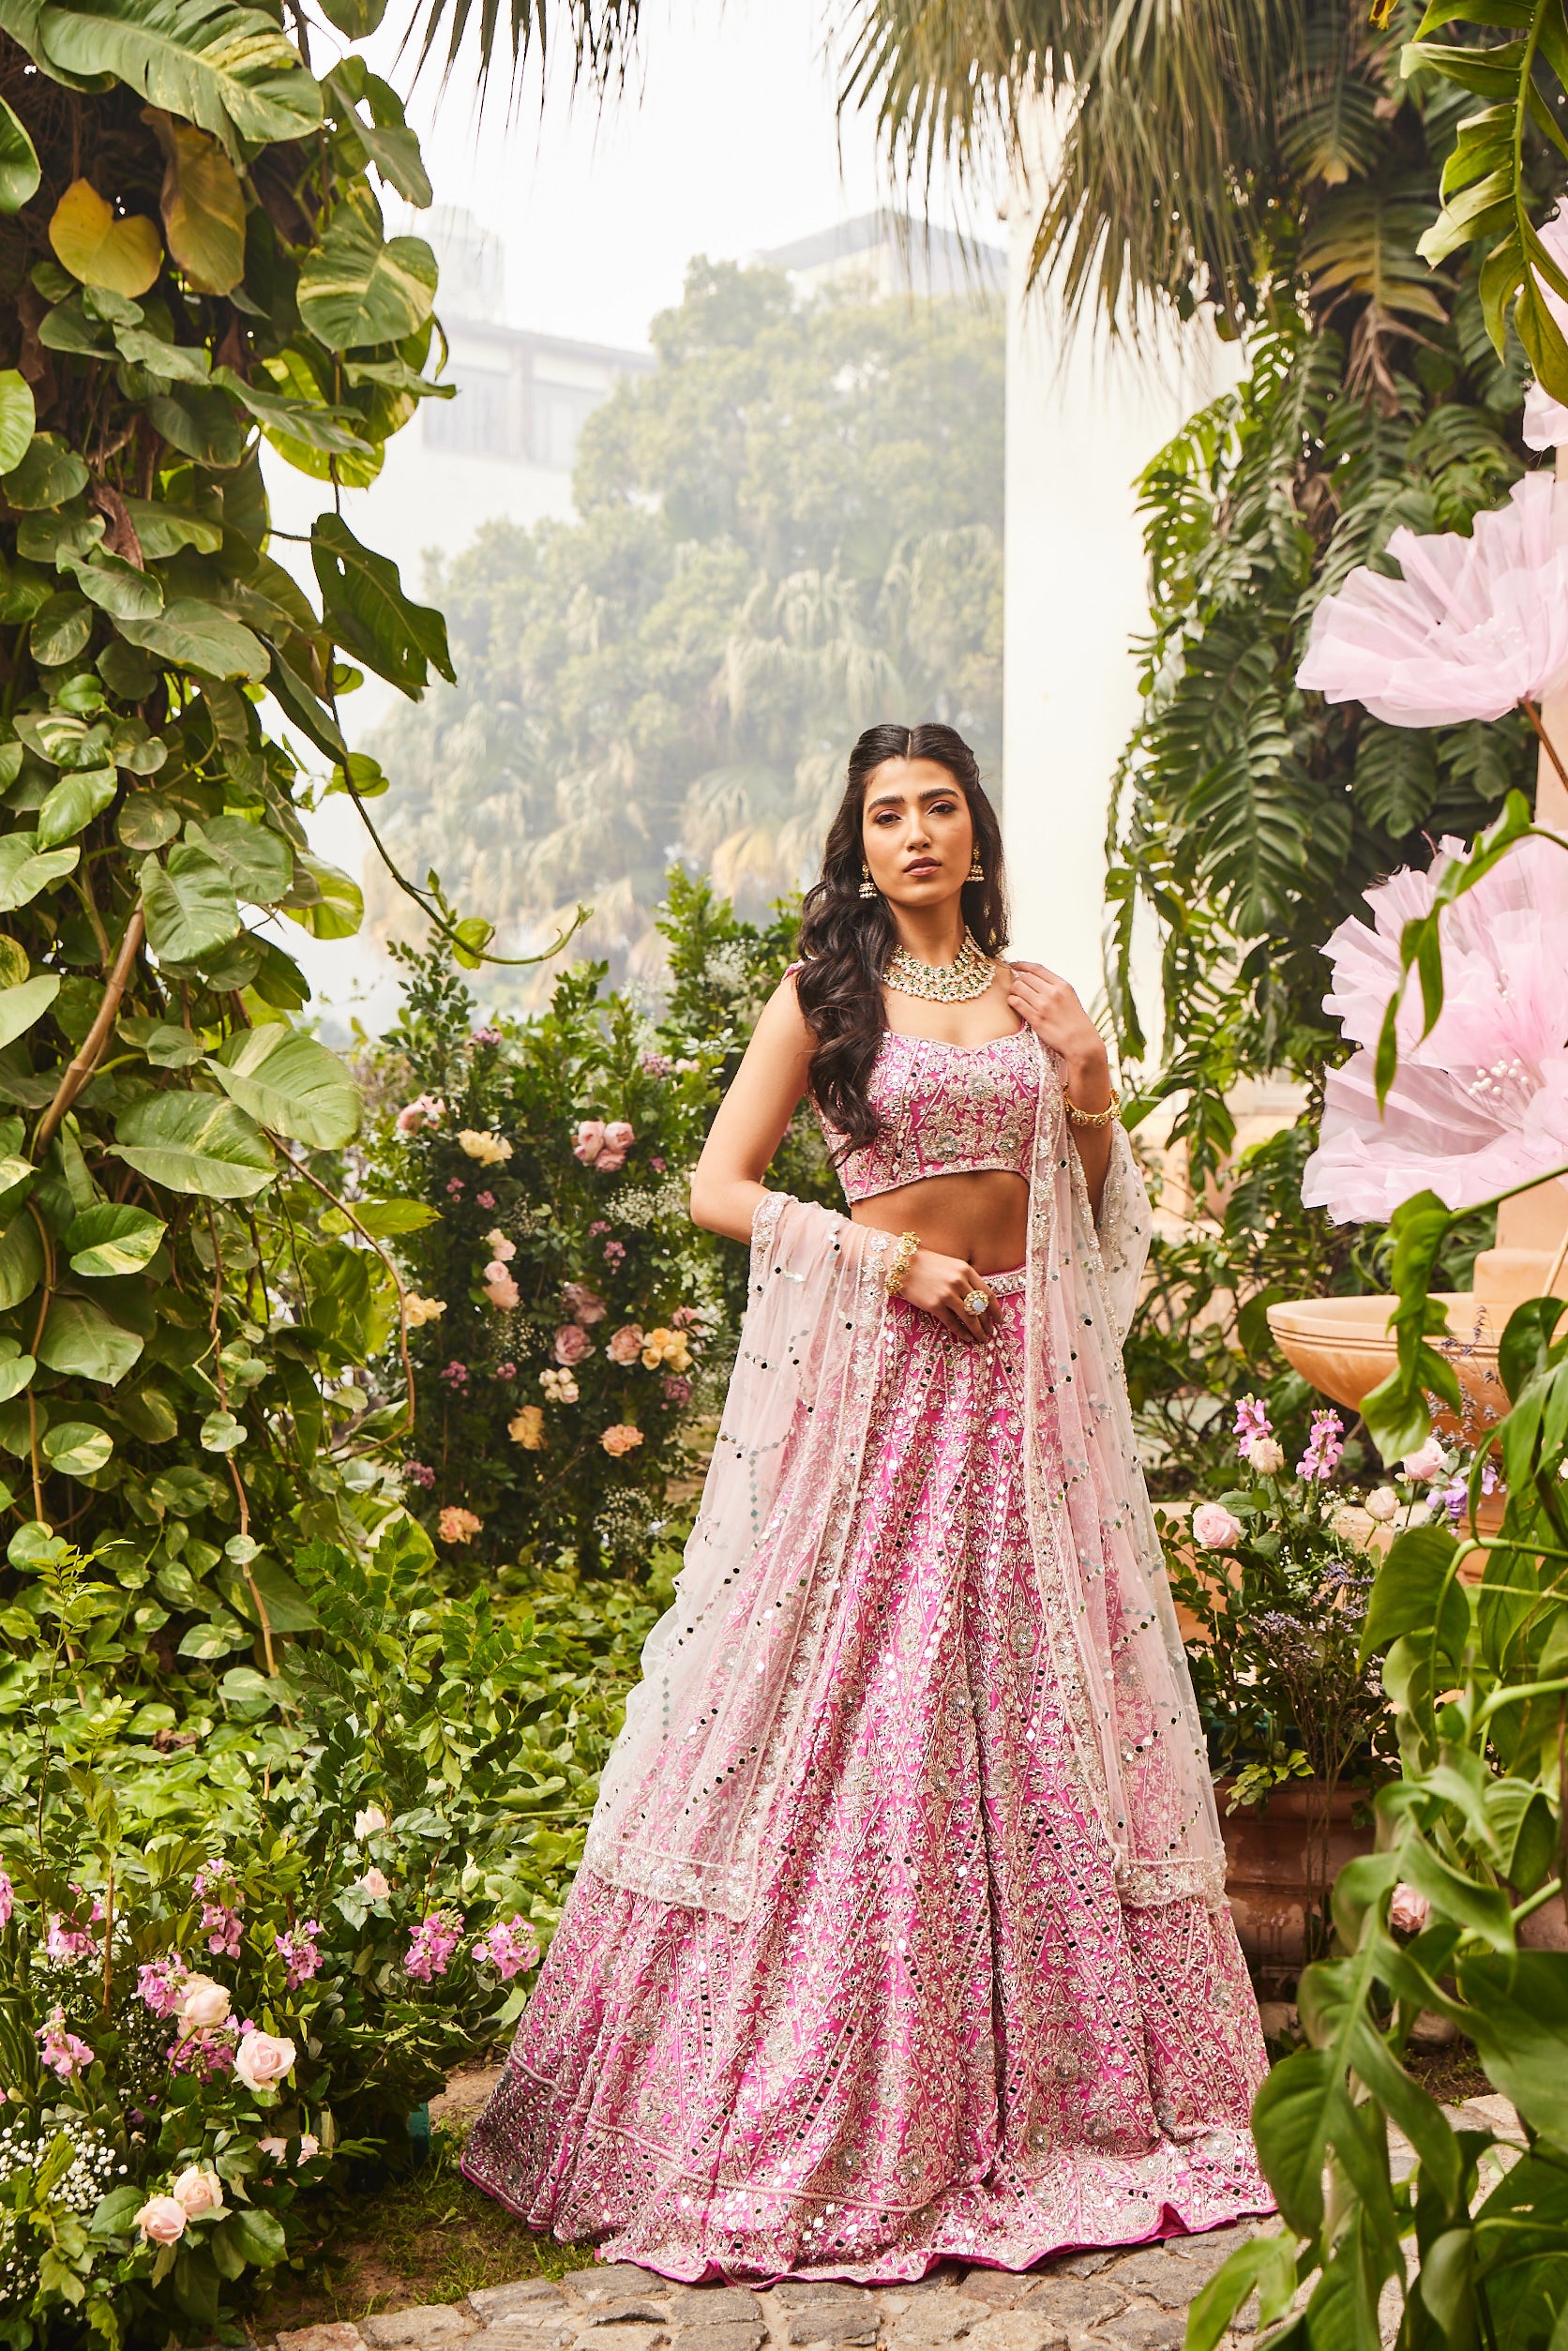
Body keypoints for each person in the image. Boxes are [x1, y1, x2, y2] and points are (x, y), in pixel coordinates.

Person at [461, 721, 1272, 2282]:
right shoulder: (826, 996)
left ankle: (1068, 2094)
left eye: (940, 810)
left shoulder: (1035, 1001)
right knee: (864, 1713)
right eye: (886, 814)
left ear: (976, 836)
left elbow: (1104, 1240)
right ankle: (839, 2099)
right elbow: (719, 1182)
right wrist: (880, 1258)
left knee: (1042, 1712)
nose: (914, 835)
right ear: (860, 842)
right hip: (890, 1388)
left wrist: (1093, 1087)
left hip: (1032, 1399)